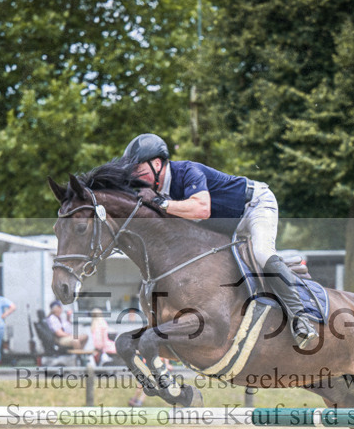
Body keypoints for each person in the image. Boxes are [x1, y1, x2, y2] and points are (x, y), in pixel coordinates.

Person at [122, 133, 318, 349]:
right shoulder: (158, 190)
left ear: (157, 163)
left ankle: (301, 317)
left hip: (255, 206)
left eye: (139, 172)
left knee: (262, 252)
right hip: (228, 226)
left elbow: (202, 209)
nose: (137, 179)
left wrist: (162, 204)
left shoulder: (187, 171)